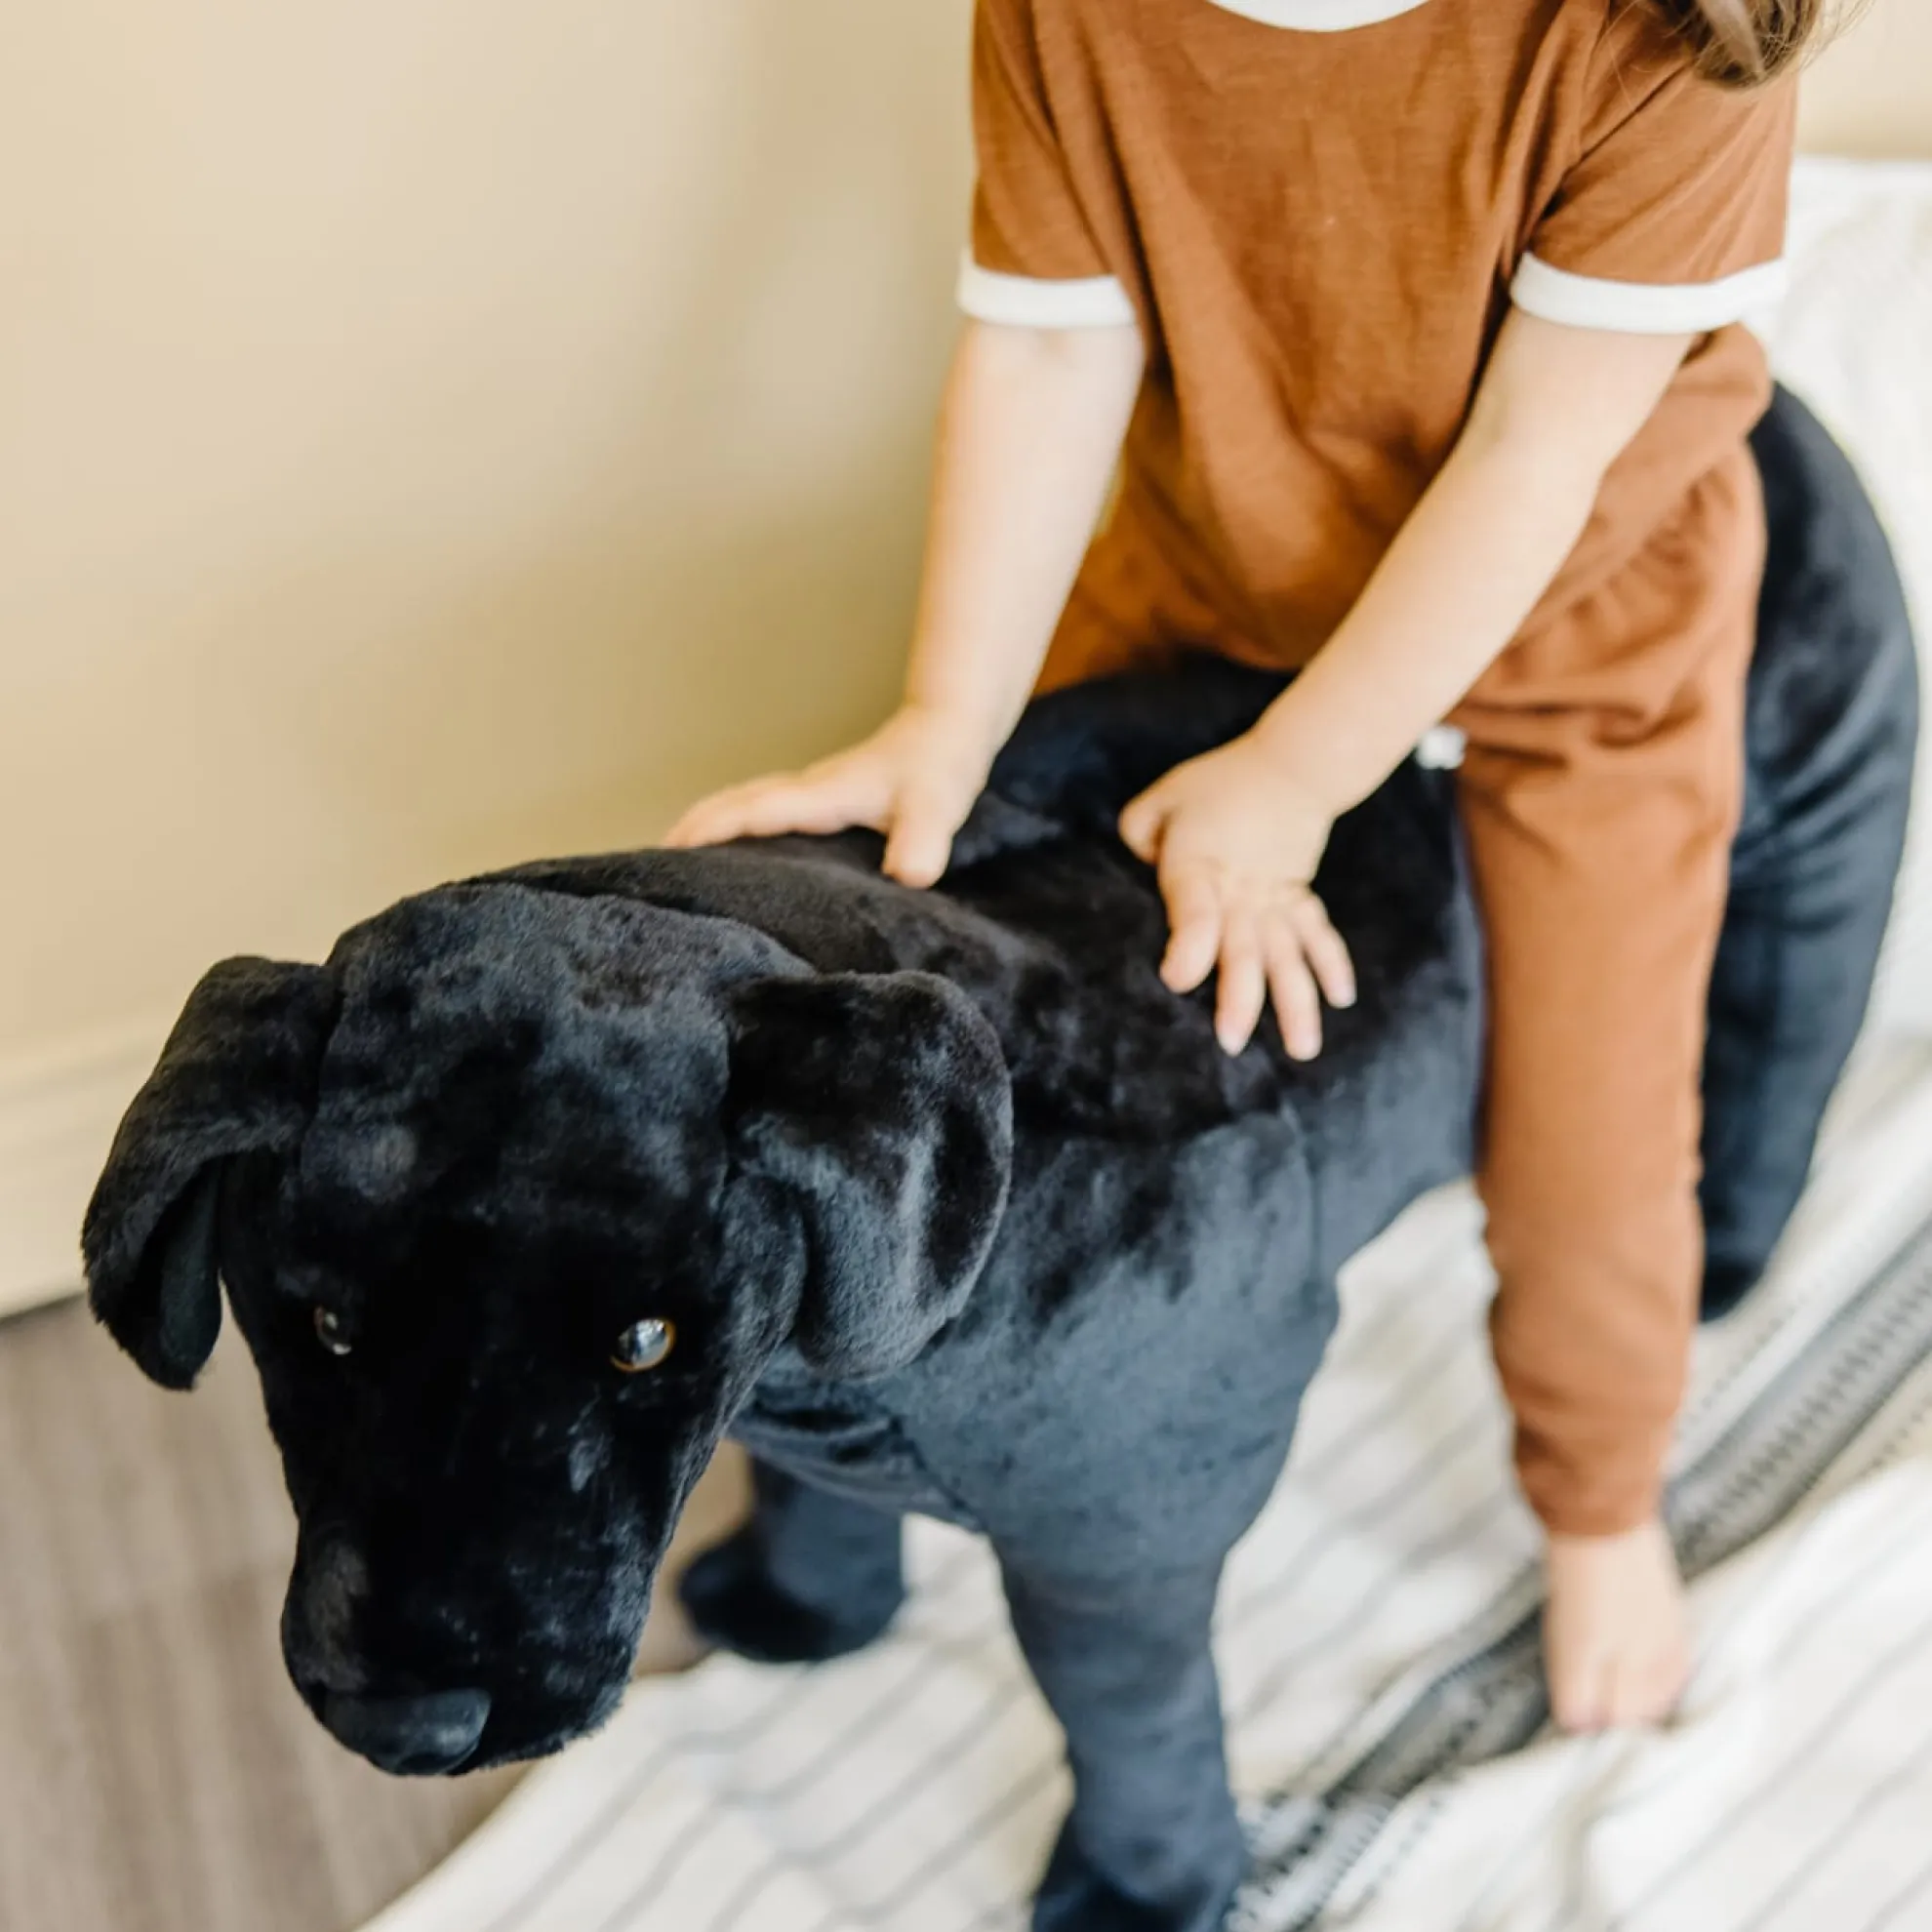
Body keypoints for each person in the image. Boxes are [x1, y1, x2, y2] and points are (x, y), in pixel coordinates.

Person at [668, 0, 1837, 1732]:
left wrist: (1293, 779)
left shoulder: (1670, 34)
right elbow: (1051, 353)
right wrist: (946, 718)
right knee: (1012, 989)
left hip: (1578, 636)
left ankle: (1600, 1505)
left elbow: (1538, 459)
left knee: (1587, 1130)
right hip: (1212, 571)